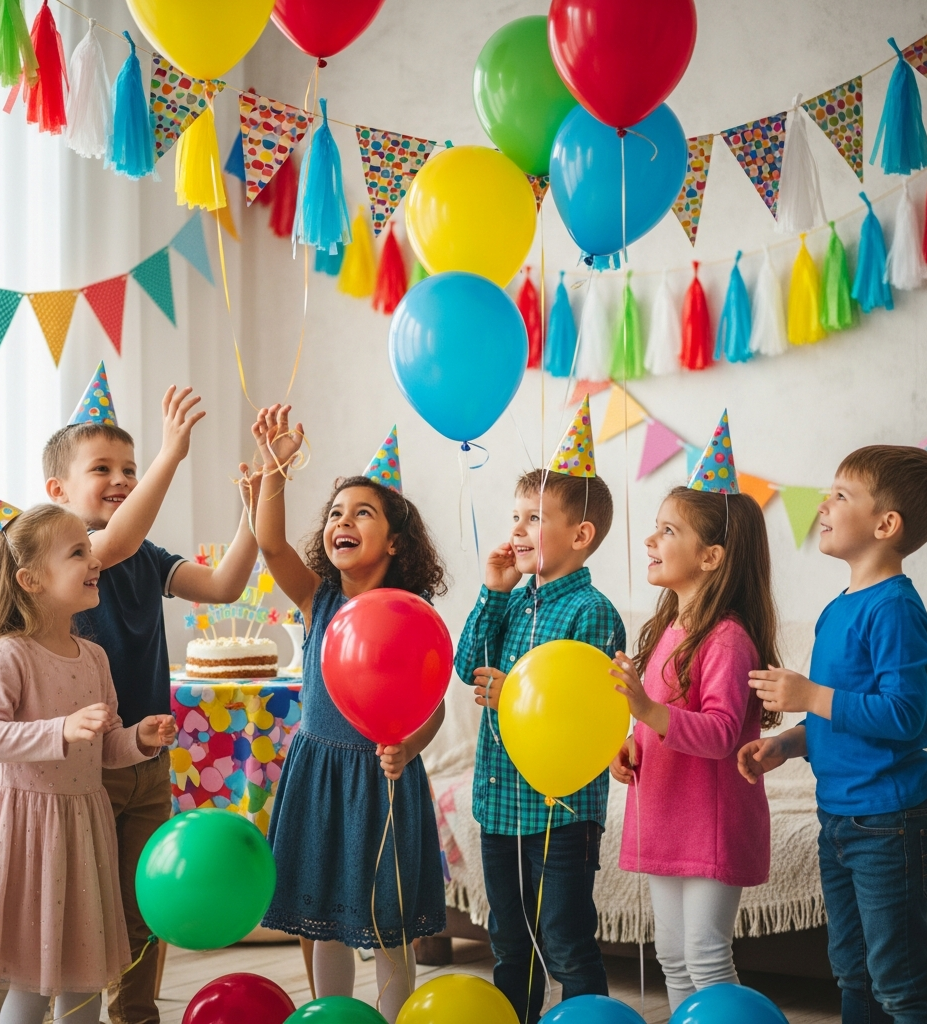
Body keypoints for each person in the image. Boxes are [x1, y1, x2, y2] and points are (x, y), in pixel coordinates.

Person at [42, 382, 260, 1024]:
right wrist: (170, 454)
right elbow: (108, 546)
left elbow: (223, 586)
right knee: (87, 909)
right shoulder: (68, 552)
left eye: (129, 469)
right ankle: (76, 1013)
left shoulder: (147, 556)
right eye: (102, 469)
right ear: (57, 491)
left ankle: (136, 1015)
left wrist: (253, 508)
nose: (120, 480)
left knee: (148, 900)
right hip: (84, 763)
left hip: (146, 763)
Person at [739, 445, 927, 1024]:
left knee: (898, 981)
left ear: (886, 525)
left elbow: (908, 717)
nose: (824, 505)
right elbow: (846, 712)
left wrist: (809, 694)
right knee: (852, 973)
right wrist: (786, 743)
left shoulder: (895, 610)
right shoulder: (841, 608)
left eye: (841, 495)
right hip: (840, 818)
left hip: (891, 820)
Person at [250, 406, 447, 1024]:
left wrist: (411, 747)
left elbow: (434, 706)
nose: (343, 520)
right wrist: (275, 468)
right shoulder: (318, 597)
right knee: (322, 916)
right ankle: (331, 1015)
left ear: (394, 541)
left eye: (363, 512)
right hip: (319, 773)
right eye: (336, 512)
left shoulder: (410, 613)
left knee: (385, 921)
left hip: (383, 778)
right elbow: (269, 542)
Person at [0, 504, 177, 1024]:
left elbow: (103, 751)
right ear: (30, 579)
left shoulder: (94, 657)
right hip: (28, 833)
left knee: (81, 978)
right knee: (35, 983)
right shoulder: (8, 655)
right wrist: (60, 728)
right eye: (78, 550)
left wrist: (140, 740)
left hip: (83, 828)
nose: (95, 557)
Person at [454, 467, 625, 1021]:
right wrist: (491, 591)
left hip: (561, 811)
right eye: (515, 517)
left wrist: (516, 696)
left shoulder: (591, 611)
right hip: (500, 806)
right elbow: (465, 667)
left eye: (535, 518)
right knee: (508, 940)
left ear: (580, 535)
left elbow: (587, 715)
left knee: (565, 940)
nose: (519, 531)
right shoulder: (510, 602)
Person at [609, 486, 778, 1014]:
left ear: (711, 557)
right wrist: (630, 745)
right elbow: (659, 719)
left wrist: (648, 715)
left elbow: (723, 732)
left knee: (705, 955)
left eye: (668, 530)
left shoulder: (727, 638)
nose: (650, 539)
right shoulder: (668, 629)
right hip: (663, 814)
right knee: (672, 955)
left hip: (709, 824)